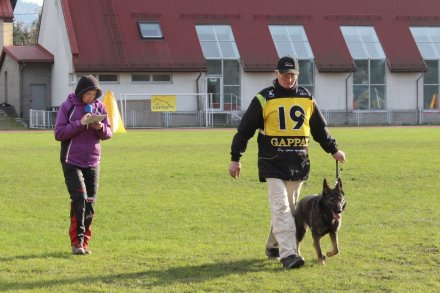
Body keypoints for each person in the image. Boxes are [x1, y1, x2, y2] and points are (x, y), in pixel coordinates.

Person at [229, 56, 346, 269]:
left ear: (298, 75)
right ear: (276, 74)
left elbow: (320, 129)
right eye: (285, 75)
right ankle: (288, 254)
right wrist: (235, 158)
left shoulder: (307, 97)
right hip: (272, 163)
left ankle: (273, 245)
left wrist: (334, 150)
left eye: (292, 75)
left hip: (298, 163)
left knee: (290, 209)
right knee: (282, 208)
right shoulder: (264, 98)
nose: (289, 79)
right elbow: (244, 130)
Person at [54, 75, 113, 255]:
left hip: (93, 161)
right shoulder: (68, 107)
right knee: (79, 199)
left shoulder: (100, 107)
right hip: (71, 161)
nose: (91, 97)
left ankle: (85, 243)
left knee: (90, 202)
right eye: (88, 93)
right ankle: (76, 242)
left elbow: (108, 133)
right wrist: (80, 123)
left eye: (94, 94)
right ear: (80, 93)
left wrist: (100, 128)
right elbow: (59, 133)